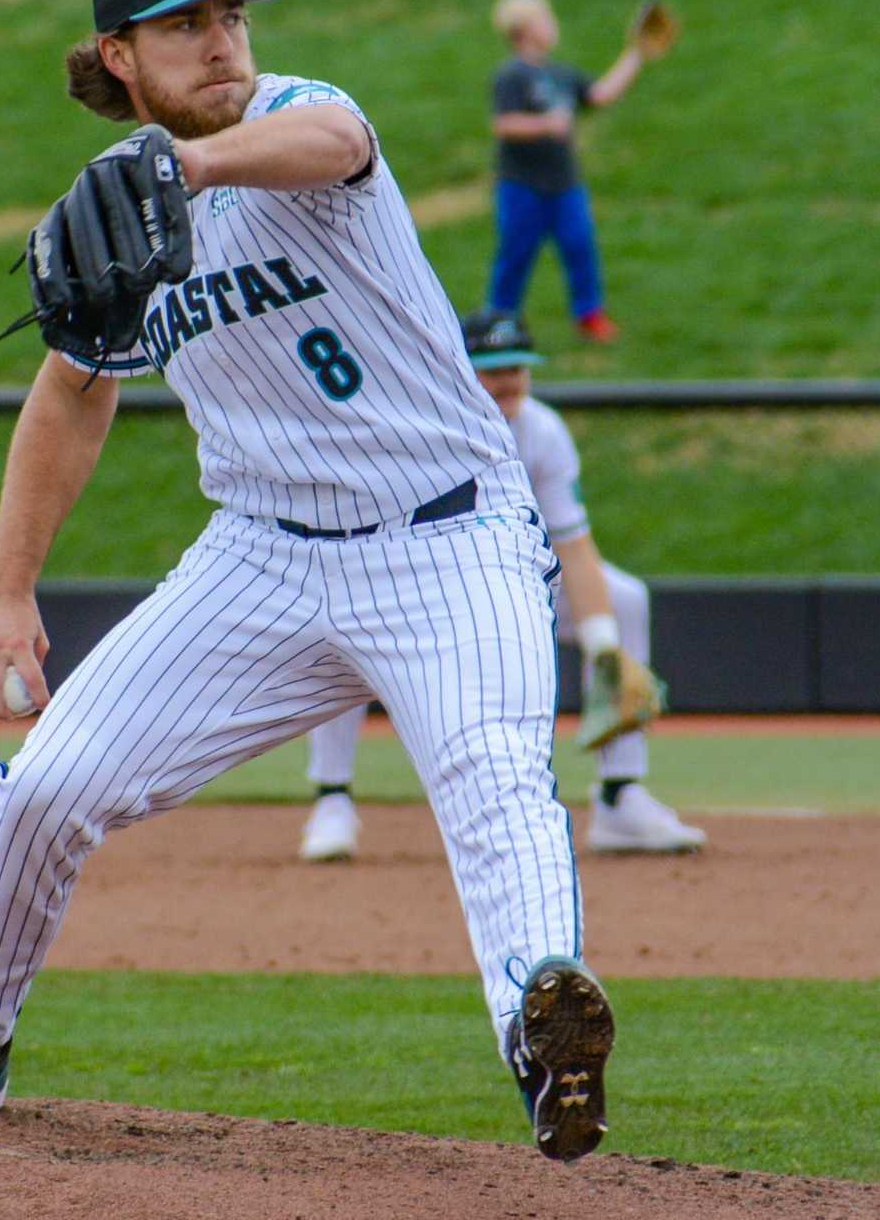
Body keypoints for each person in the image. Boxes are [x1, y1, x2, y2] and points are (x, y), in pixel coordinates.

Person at [0, 0, 617, 1163]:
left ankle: (543, 1036)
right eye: (186, 25)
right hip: (261, 558)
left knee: (492, 779)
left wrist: (184, 172)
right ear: (118, 55)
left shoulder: (300, 119)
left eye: (231, 15)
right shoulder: (116, 213)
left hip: (446, 538)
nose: (220, 41)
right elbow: (71, 394)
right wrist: (4, 589)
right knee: (45, 787)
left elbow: (334, 144)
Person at [299, 312, 706, 862]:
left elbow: (575, 545)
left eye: (516, 366)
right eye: (492, 369)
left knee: (625, 600)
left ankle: (619, 796)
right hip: (412, 580)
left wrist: (605, 648)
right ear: (458, 371)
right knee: (343, 616)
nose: (509, 379)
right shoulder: (418, 427)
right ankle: (333, 799)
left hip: (507, 579)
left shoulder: (541, 430)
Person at [484, 0, 660, 346]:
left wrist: (636, 55)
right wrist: (546, 125)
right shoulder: (512, 76)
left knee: (580, 246)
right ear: (526, 29)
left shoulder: (559, 74)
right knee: (516, 252)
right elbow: (503, 124)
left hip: (565, 183)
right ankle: (499, 319)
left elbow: (601, 94)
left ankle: (589, 314)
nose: (553, 26)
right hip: (522, 184)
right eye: (546, 20)